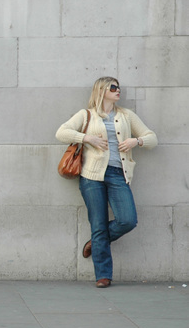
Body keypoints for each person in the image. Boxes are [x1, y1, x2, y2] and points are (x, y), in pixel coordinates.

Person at [56, 77, 157, 288]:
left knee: (127, 220)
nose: (118, 90)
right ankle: (103, 276)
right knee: (98, 224)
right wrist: (87, 138)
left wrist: (136, 141)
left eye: (118, 87)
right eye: (113, 87)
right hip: (91, 177)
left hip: (118, 175)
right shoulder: (87, 115)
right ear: (101, 90)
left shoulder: (126, 115)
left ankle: (96, 242)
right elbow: (61, 132)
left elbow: (151, 138)